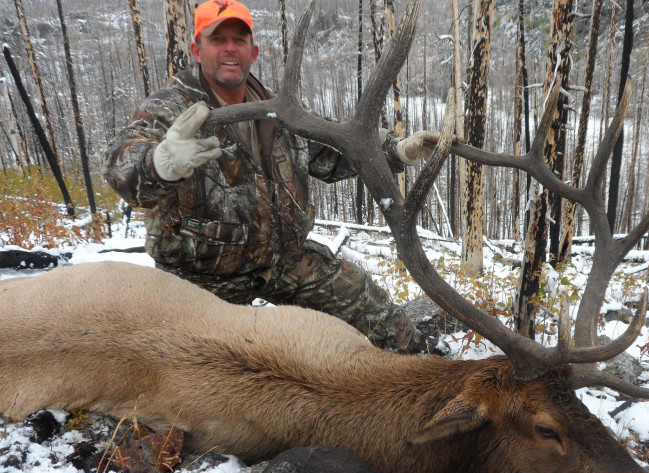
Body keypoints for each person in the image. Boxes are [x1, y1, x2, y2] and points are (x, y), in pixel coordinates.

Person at [103, 0, 437, 353]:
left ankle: (430, 368)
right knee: (209, 373)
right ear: (197, 50)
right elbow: (118, 167)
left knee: (376, 312)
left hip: (283, 259)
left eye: (239, 39)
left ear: (253, 51)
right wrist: (161, 163)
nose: (230, 48)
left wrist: (394, 152)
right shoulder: (168, 110)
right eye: (218, 40)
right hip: (199, 276)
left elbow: (329, 153)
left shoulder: (282, 110)